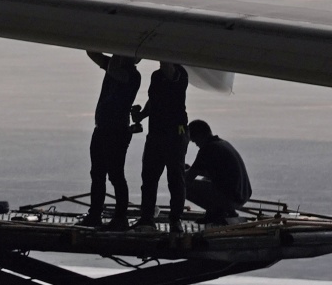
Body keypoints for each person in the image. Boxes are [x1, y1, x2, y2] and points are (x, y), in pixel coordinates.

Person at [83, 52, 142, 229]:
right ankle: (95, 215)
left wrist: (116, 46)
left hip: (116, 131)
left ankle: (120, 217)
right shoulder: (114, 67)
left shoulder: (131, 75)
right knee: (98, 174)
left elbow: (113, 67)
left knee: (115, 175)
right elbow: (91, 53)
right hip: (102, 129)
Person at [134, 60, 190, 229]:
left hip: (175, 132)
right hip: (156, 132)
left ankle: (175, 219)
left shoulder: (179, 74)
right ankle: (147, 218)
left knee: (174, 177)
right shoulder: (157, 76)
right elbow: (153, 100)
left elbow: (168, 68)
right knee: (150, 177)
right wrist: (142, 115)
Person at [186, 120, 252, 224]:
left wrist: (179, 170)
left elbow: (188, 178)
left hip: (230, 198)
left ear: (199, 136)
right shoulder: (222, 144)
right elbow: (217, 173)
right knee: (206, 179)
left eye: (194, 141)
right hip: (242, 196)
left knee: (181, 185)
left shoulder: (207, 149)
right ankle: (227, 211)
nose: (196, 144)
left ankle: (216, 212)